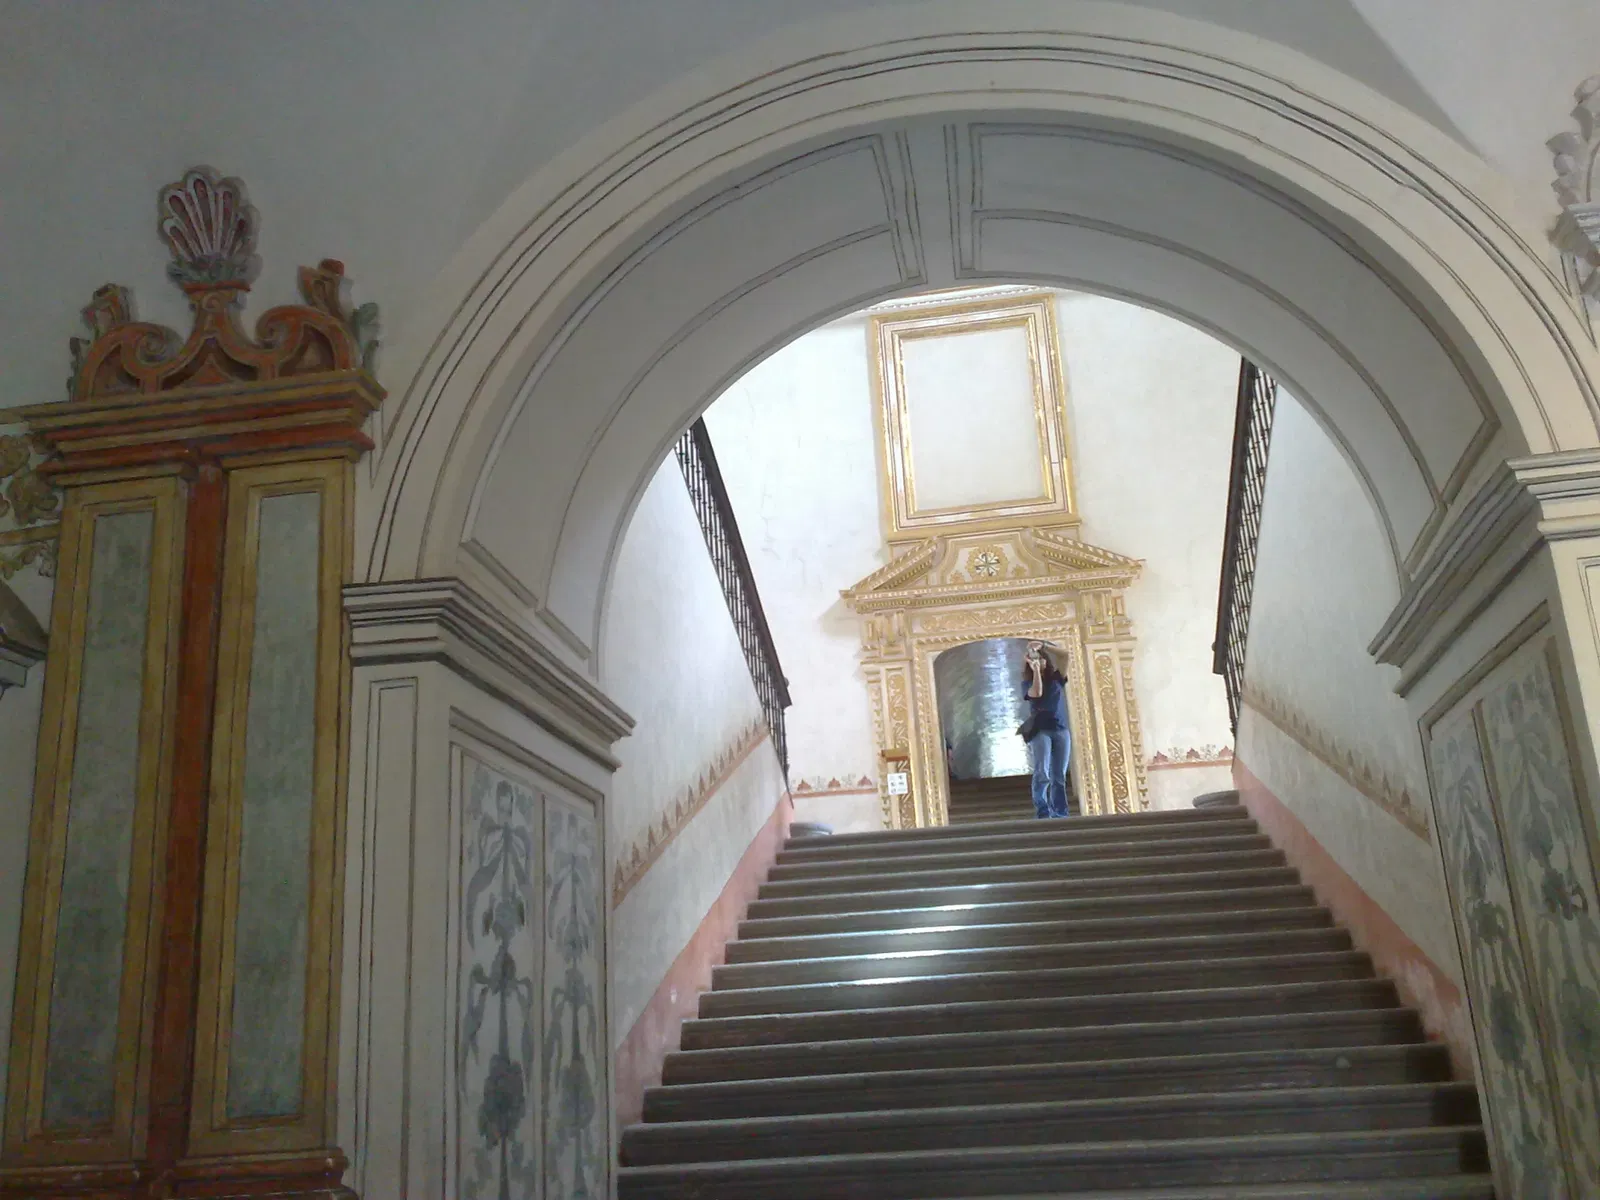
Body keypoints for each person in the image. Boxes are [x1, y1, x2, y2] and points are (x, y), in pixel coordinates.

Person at [1019, 641, 1071, 819]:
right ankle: (1043, 811)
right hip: (1040, 731)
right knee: (1042, 773)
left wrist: (1043, 646)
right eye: (1034, 658)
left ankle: (1060, 812)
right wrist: (1035, 671)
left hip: (1060, 729)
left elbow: (1065, 655)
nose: (1039, 661)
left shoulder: (1057, 678)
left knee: (1059, 775)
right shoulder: (1027, 683)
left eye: (1041, 659)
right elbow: (1038, 692)